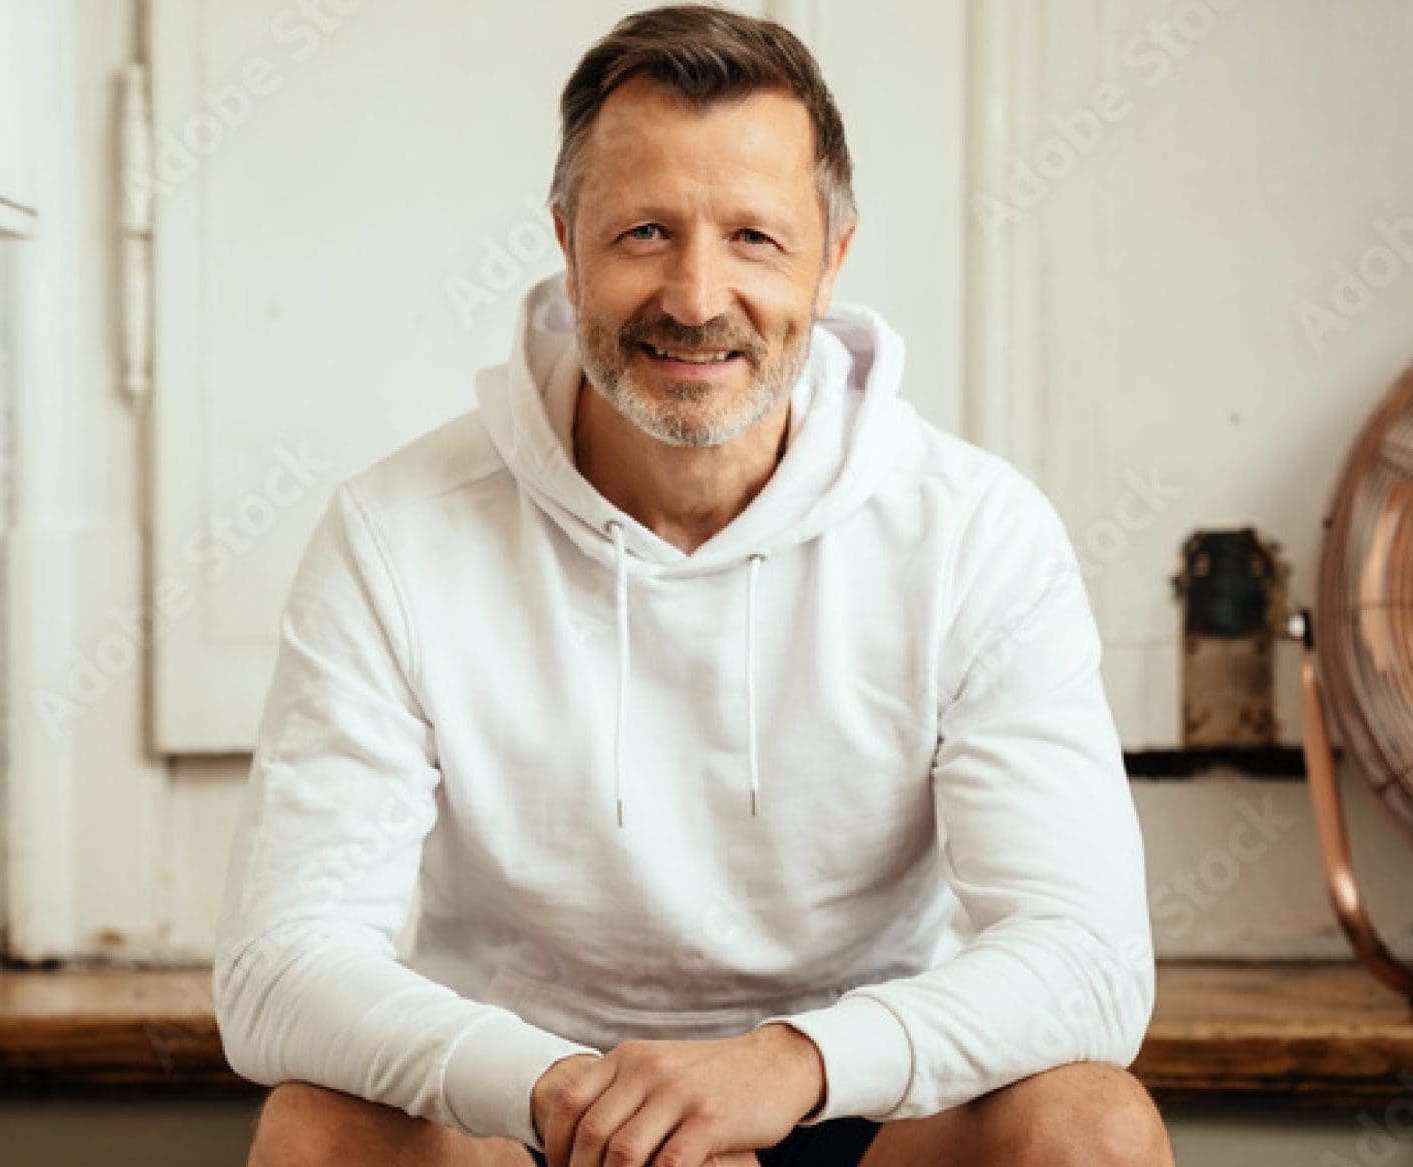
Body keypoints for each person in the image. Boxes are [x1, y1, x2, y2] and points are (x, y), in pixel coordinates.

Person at [213, 7, 1169, 1164]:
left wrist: (788, 1066)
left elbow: (1088, 959)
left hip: (852, 1104)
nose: (697, 296)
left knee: (1089, 1126)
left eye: (755, 238)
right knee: (318, 1129)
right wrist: (574, 1094)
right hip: (534, 1112)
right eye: (645, 233)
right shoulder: (394, 534)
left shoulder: (976, 532)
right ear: (567, 246)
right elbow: (280, 967)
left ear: (833, 255)